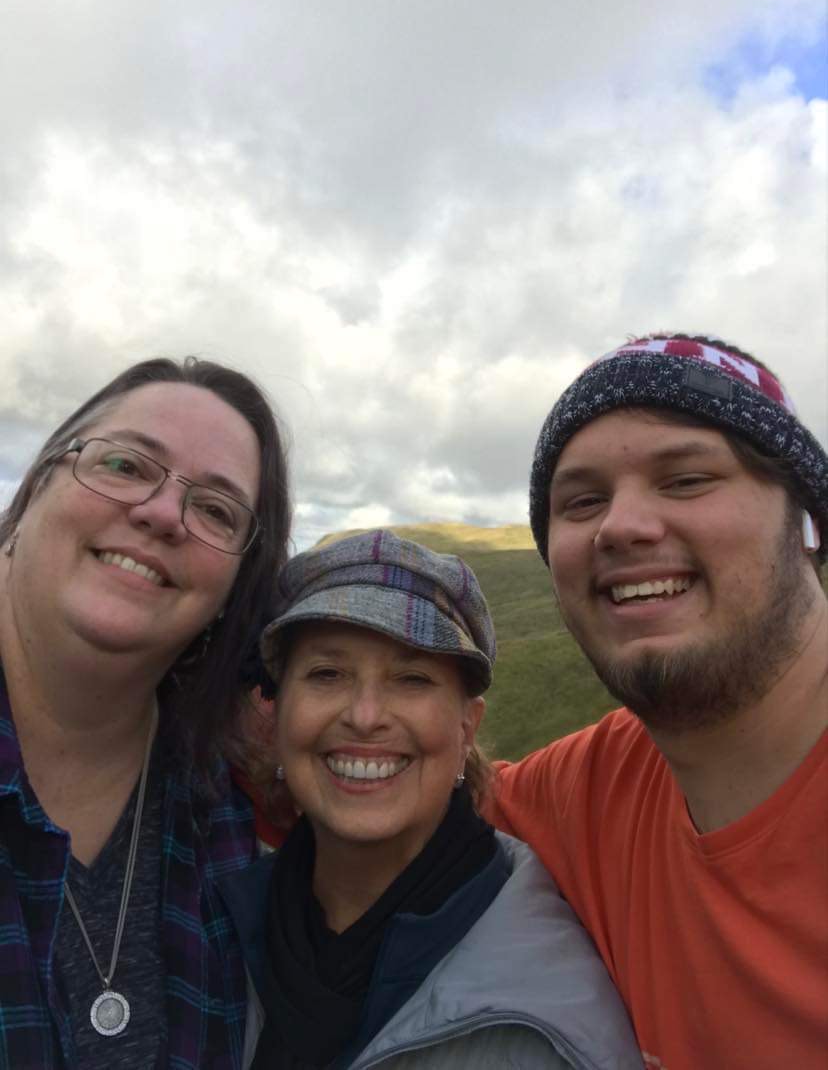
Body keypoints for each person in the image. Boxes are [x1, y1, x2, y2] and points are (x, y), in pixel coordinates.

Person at [488, 334, 828, 1069]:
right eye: (582, 501)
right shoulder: (590, 787)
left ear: (805, 522)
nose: (620, 526)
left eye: (686, 480)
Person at [220, 529, 643, 1069]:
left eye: (412, 678)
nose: (365, 715)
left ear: (468, 728)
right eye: (327, 674)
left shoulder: (545, 1030)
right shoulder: (209, 922)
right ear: (276, 718)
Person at [0, 357, 291, 1070]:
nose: (162, 514)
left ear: (233, 591)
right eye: (127, 465)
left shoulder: (224, 807)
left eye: (217, 510)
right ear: (36, 487)